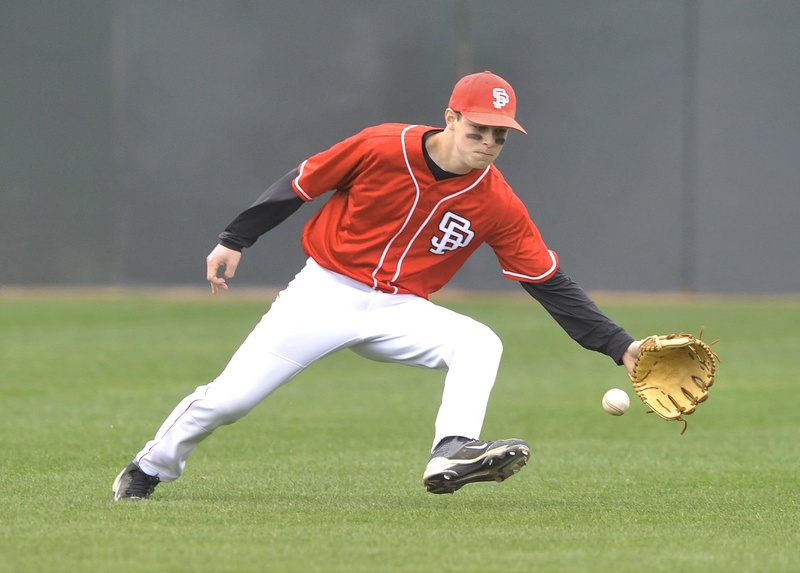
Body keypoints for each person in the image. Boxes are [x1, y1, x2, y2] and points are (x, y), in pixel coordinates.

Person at [113, 71, 641, 500]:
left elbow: (546, 280)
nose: (488, 142)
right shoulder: (383, 146)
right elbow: (302, 182)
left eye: (499, 134)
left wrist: (621, 347)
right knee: (229, 402)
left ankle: (451, 449)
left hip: (401, 309)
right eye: (477, 129)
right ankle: (148, 468)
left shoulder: (496, 201)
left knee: (480, 341)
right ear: (451, 118)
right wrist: (235, 238)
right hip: (323, 294)